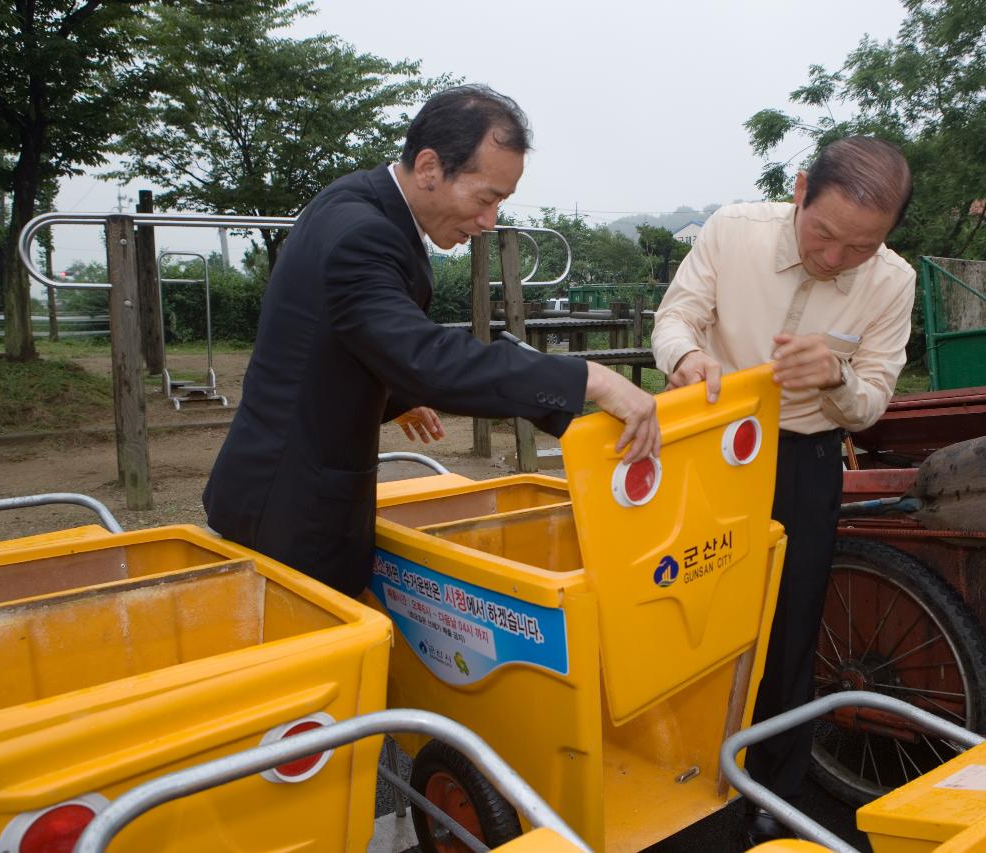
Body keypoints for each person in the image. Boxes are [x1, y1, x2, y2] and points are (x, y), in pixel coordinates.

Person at [203, 84, 660, 599]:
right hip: (291, 510)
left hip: (274, 488)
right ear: (428, 168)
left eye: (501, 202)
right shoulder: (364, 234)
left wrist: (395, 393)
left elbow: (342, 337)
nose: (489, 222)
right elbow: (428, 359)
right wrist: (588, 377)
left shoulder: (357, 199)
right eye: (486, 198)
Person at [651, 136, 914, 844]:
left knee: (789, 628)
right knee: (682, 613)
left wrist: (836, 378)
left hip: (802, 460)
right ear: (800, 189)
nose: (834, 258)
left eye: (859, 247)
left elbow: (872, 404)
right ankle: (675, 774)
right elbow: (673, 316)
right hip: (706, 450)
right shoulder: (732, 231)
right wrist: (687, 357)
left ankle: (772, 793)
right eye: (823, 233)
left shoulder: (892, 281)